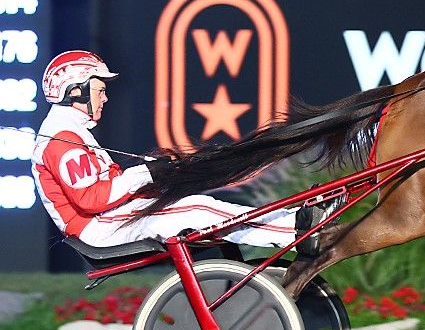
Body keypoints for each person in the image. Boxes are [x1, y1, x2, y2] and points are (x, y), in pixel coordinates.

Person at [32, 50, 329, 255]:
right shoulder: (61, 138)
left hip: (109, 220)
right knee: (196, 210)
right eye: (99, 90)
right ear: (75, 92)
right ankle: (294, 229)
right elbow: (92, 198)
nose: (105, 98)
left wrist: (152, 171)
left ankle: (289, 221)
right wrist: (144, 173)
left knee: (198, 205)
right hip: (97, 230)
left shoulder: (71, 132)